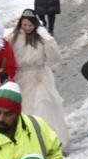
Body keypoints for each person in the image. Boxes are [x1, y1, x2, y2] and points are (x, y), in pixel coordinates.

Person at [6, 9, 71, 151]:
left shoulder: (41, 38)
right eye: (24, 25)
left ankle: (47, 141)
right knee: (22, 108)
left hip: (39, 77)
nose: (27, 28)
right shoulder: (13, 37)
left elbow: (55, 57)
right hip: (20, 77)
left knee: (43, 106)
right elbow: (5, 54)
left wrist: (47, 39)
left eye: (30, 25)